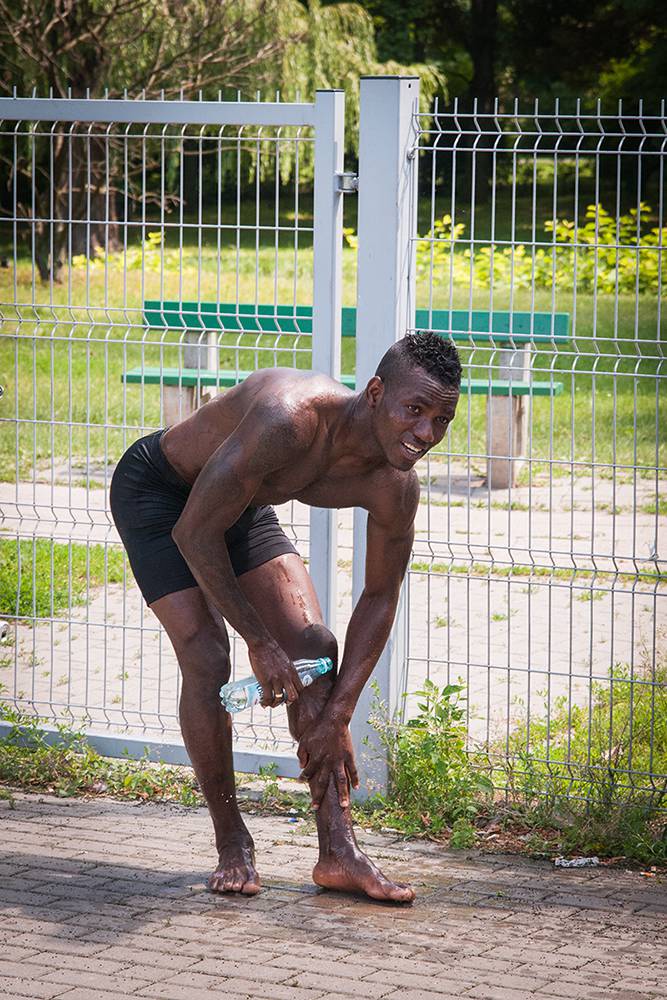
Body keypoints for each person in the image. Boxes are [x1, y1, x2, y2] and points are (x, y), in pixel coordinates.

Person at [110, 331, 461, 903]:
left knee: (316, 653)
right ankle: (233, 842)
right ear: (376, 393)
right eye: (414, 411)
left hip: (237, 502)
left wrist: (337, 713)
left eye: (441, 420)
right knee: (208, 657)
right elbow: (195, 532)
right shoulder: (291, 420)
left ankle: (338, 852)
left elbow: (380, 596)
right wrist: (258, 641)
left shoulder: (394, 486)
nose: (425, 433)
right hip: (161, 494)